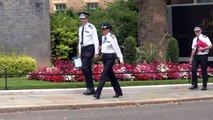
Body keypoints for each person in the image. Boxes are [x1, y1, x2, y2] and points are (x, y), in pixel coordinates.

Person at [93, 23, 124, 99]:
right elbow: (103, 47)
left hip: (111, 57)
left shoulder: (112, 37)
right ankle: (118, 92)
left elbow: (116, 47)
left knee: (104, 74)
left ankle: (98, 93)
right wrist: (99, 49)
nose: (103, 31)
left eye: (105, 29)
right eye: (103, 29)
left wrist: (121, 58)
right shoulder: (103, 38)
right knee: (111, 76)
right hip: (105, 57)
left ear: (108, 29)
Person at [78, 12, 99, 95]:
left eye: (83, 19)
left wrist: (96, 52)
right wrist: (79, 51)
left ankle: (90, 88)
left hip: (89, 48)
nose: (82, 20)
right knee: (87, 69)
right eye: (81, 19)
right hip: (83, 48)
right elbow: (80, 41)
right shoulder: (80, 28)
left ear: (87, 19)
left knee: (84, 67)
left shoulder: (91, 27)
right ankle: (90, 88)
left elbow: (95, 39)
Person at [189, 26, 212, 90]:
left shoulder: (205, 37)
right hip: (196, 56)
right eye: (196, 31)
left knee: (204, 70)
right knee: (193, 69)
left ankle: (204, 85)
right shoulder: (194, 39)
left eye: (198, 31)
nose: (197, 32)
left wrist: (203, 48)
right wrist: (191, 57)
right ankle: (194, 84)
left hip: (203, 55)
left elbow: (210, 46)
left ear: (201, 31)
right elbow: (193, 49)